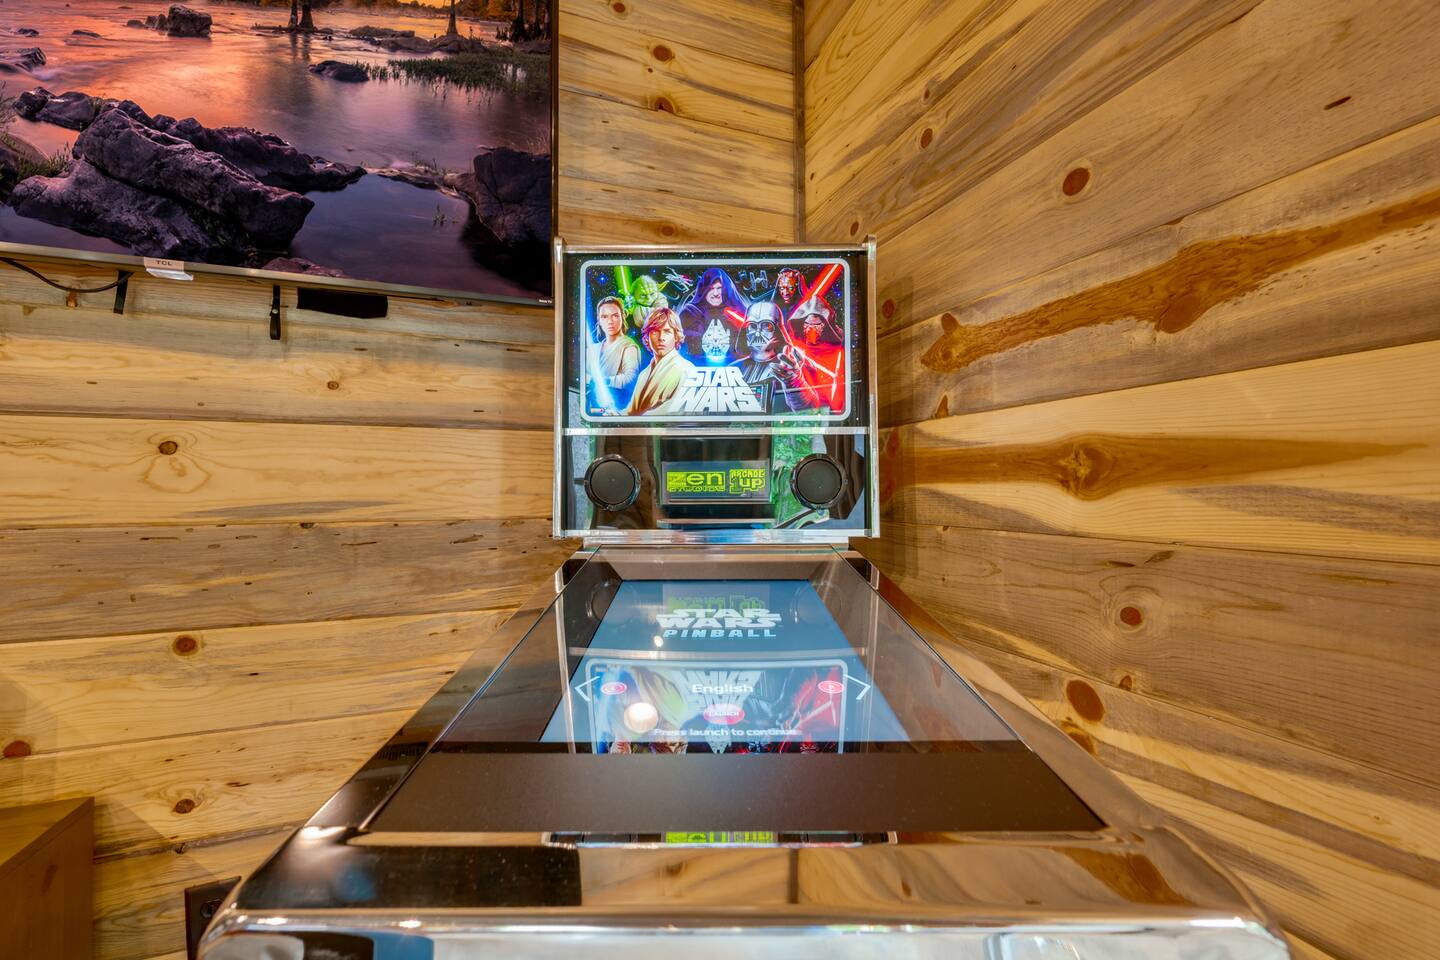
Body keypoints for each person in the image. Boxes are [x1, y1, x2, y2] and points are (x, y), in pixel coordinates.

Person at [738, 301, 806, 414]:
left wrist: (793, 381)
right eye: (752, 326)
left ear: (778, 330)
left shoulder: (793, 365)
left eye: (766, 325)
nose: (757, 334)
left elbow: (808, 410)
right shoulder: (734, 368)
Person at [627, 307, 696, 416]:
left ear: (676, 336)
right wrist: (615, 415)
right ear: (647, 336)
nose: (661, 338)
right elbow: (631, 411)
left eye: (667, 332)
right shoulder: (643, 374)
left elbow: (676, 411)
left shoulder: (687, 370)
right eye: (655, 331)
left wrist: (638, 420)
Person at [788, 295, 846, 413]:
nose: (811, 328)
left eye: (816, 325)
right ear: (803, 324)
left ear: (824, 326)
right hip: (805, 404)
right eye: (808, 324)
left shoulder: (836, 350)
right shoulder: (795, 346)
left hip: (829, 405)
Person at [678, 267, 747, 363]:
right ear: (704, 290)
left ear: (726, 289)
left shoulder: (737, 313)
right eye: (711, 288)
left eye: (719, 288)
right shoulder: (690, 313)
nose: (715, 293)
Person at [592, 296, 640, 403]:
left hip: (617, 404)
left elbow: (631, 379)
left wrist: (602, 380)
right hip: (592, 403)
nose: (610, 321)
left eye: (615, 316)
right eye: (604, 317)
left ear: (622, 317)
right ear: (599, 320)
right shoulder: (593, 349)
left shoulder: (628, 346)